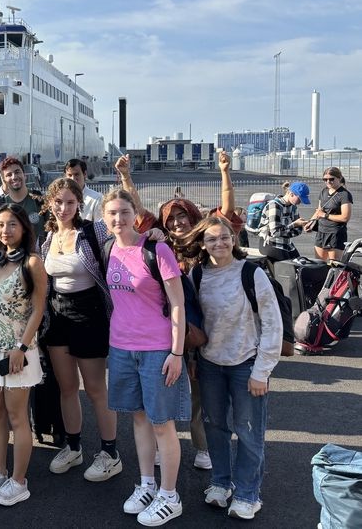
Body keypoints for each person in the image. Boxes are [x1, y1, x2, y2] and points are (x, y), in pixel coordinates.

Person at [119, 150, 240, 470]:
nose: (176, 222)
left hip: (203, 326)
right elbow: (138, 210)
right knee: (163, 384)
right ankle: (163, 442)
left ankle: (202, 446)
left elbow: (226, 212)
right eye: (171, 218)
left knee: (201, 391)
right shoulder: (158, 242)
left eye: (182, 216)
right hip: (166, 327)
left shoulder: (205, 241)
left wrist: (225, 172)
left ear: (193, 217)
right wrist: (126, 177)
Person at [182, 217, 281, 520]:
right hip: (211, 363)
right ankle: (220, 483)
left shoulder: (251, 273)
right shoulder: (198, 275)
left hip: (246, 363)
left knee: (249, 431)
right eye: (211, 239)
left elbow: (272, 324)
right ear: (202, 243)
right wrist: (196, 359)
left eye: (224, 237)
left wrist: (261, 371)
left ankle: (248, 494)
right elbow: (197, 322)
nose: (219, 244)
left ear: (234, 239)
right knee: (215, 427)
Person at [102, 189, 189, 527]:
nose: (118, 219)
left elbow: (178, 303)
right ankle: (147, 484)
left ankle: (170, 495)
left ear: (134, 213)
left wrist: (177, 352)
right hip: (121, 347)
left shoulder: (157, 248)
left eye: (124, 212)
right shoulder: (108, 248)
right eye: (112, 214)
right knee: (138, 419)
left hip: (157, 348)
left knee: (162, 424)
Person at [40, 178, 121, 483]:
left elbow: (126, 230)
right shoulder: (47, 239)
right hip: (57, 316)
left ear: (79, 204)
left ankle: (111, 453)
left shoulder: (92, 231)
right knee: (67, 388)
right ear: (50, 203)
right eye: (58, 202)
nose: (63, 208)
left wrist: (150, 233)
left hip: (90, 314)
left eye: (70, 202)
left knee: (97, 389)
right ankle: (73, 446)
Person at [0, 204, 47, 507]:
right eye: (0, 224)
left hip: (17, 351)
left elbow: (39, 308)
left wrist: (22, 348)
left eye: (12, 224)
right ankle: (0, 471)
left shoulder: (32, 263)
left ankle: (19, 480)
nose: (5, 230)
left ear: (24, 228)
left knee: (18, 417)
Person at [307, 167, 353, 260]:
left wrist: (325, 215)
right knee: (319, 264)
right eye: (325, 179)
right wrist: (310, 222)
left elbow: (345, 218)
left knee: (334, 266)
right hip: (321, 232)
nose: (328, 181)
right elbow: (319, 210)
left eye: (331, 179)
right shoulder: (324, 191)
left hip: (335, 234)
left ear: (339, 178)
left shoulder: (344, 195)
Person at [258, 181, 309, 263]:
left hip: (287, 244)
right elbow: (275, 232)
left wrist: (300, 226)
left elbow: (298, 230)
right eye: (300, 199)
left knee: (301, 265)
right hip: (271, 244)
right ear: (291, 194)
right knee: (288, 268)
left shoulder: (293, 207)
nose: (301, 202)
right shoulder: (275, 206)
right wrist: (293, 225)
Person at [0, 156, 45, 246]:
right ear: (4, 180)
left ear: (25, 175)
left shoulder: (39, 200)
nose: (14, 177)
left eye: (17, 172)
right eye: (9, 175)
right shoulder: (2, 205)